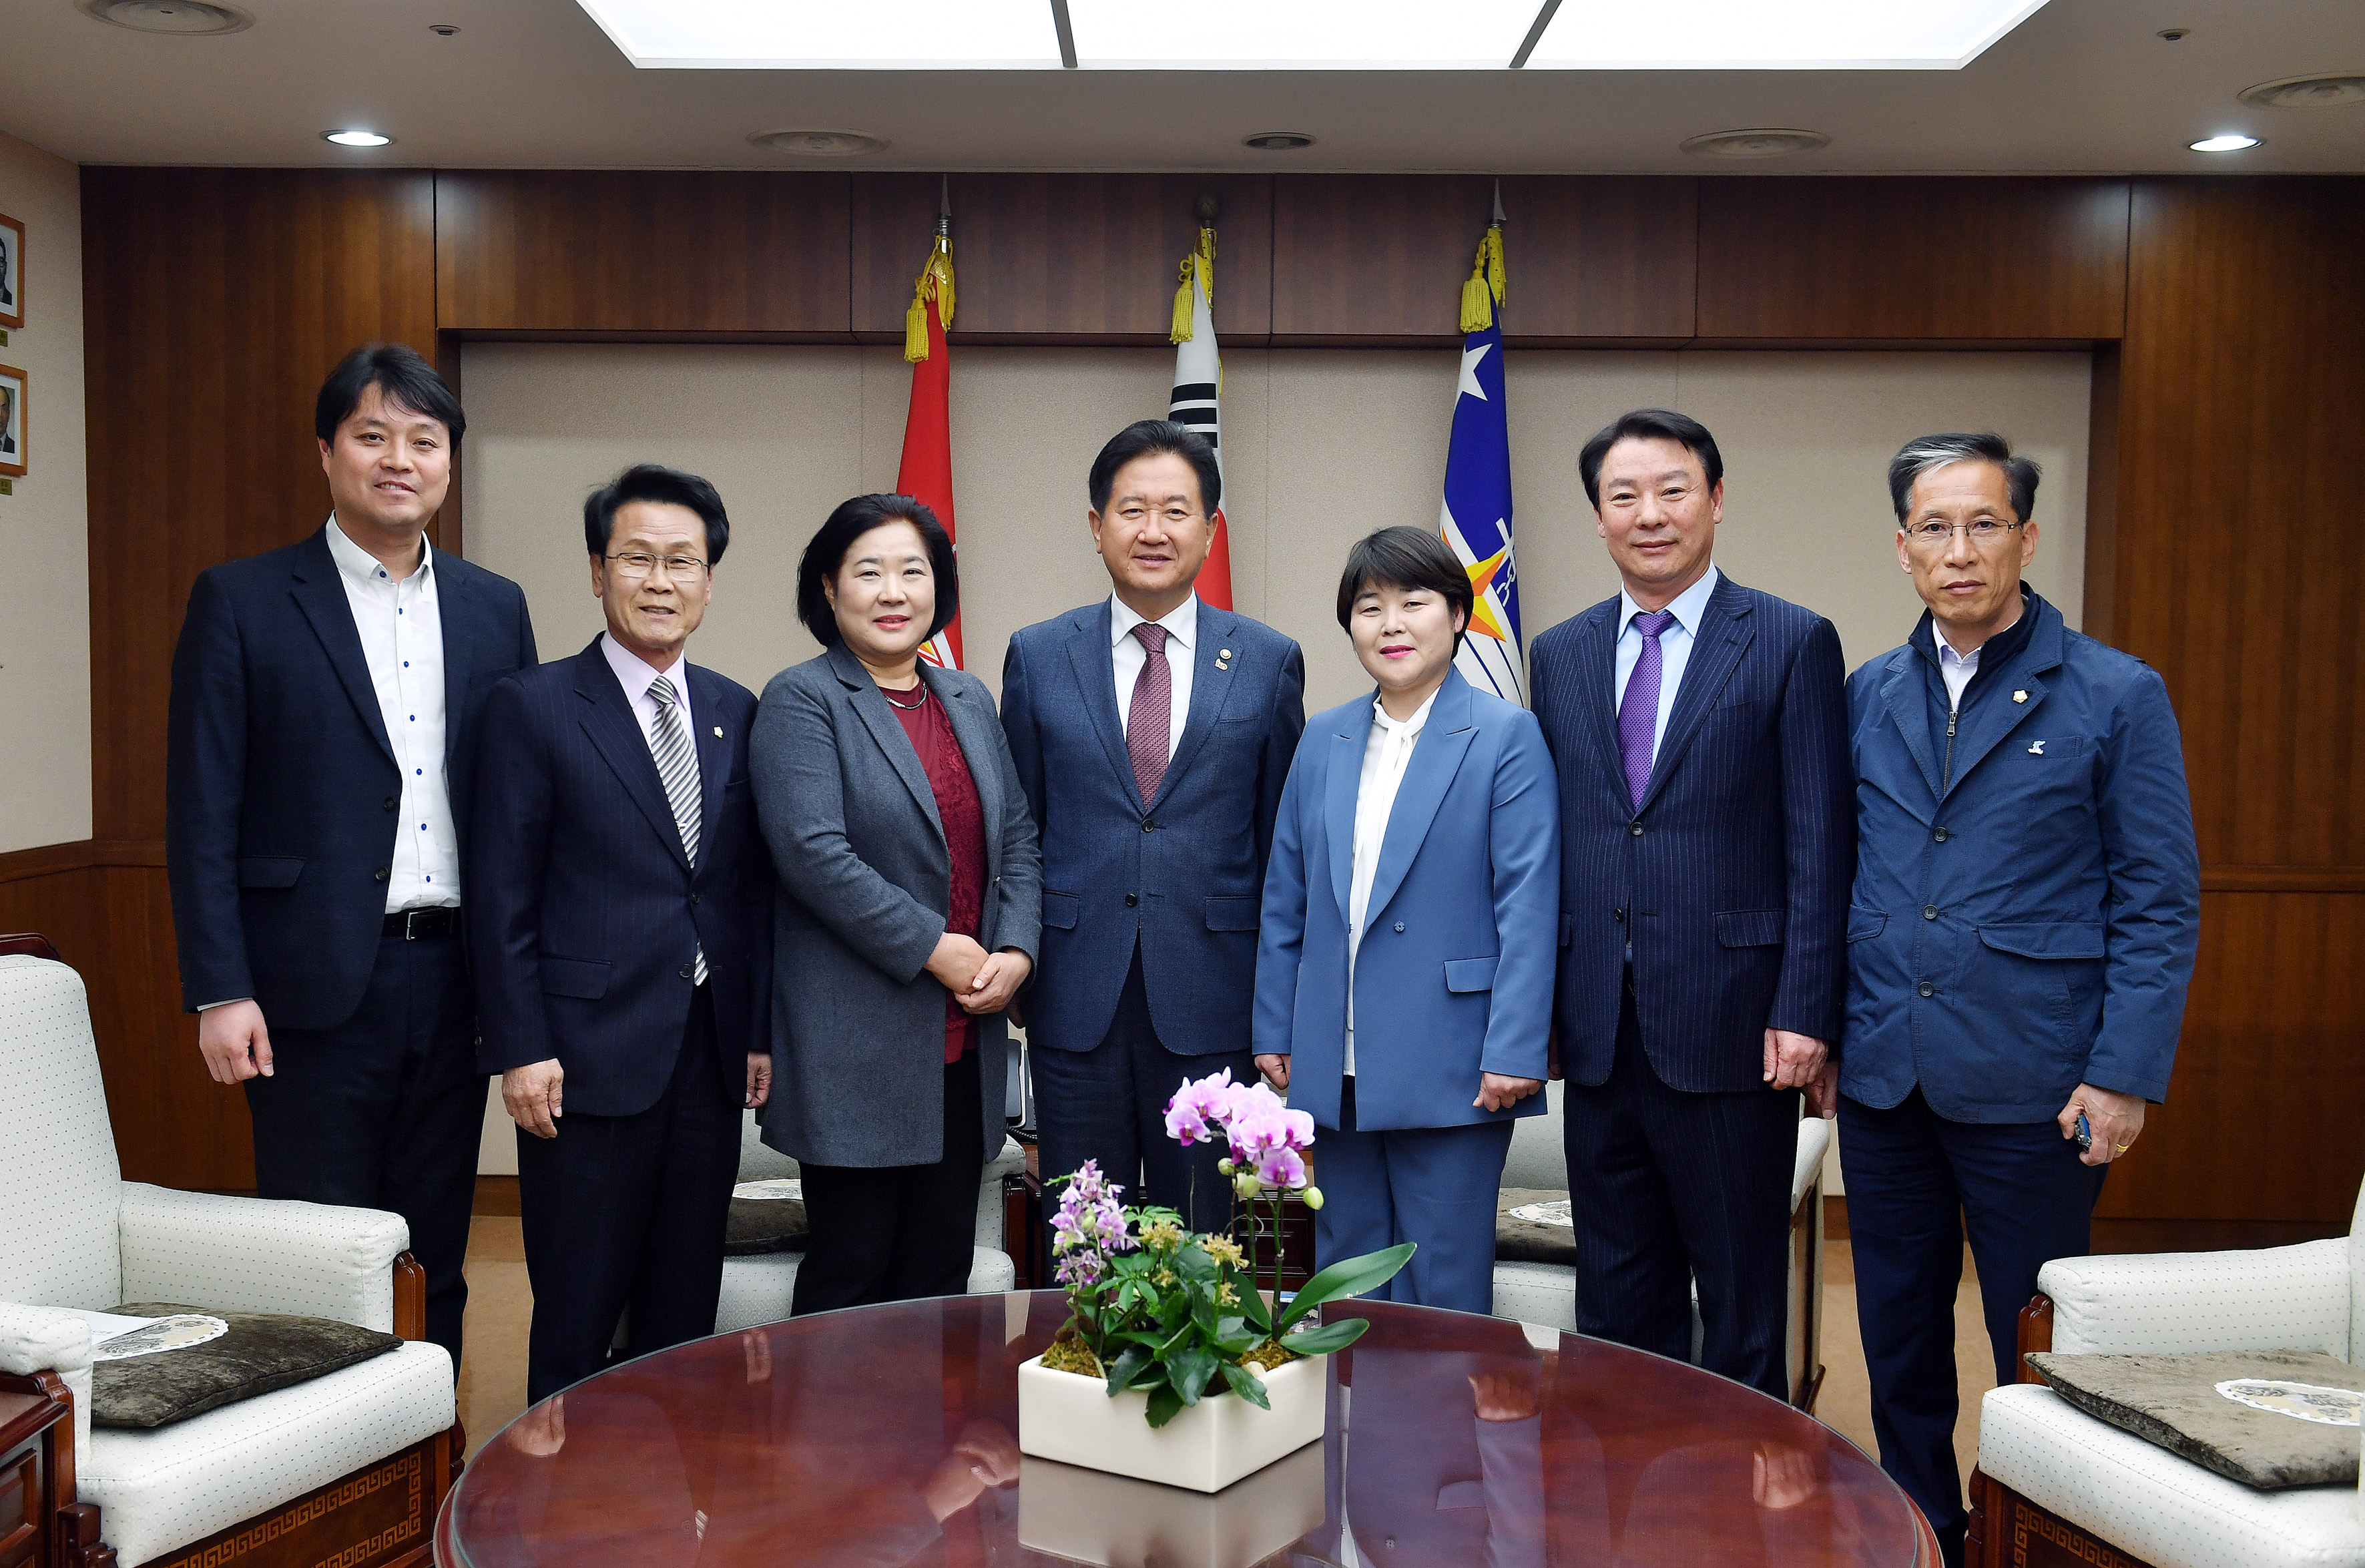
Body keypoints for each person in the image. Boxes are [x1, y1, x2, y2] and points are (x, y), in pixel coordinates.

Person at [1842, 432, 2199, 1567]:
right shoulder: (1864, 692)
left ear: (2024, 537)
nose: (1959, 550)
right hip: (1886, 1066)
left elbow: (2157, 897)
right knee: (1894, 1328)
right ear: (1902, 548)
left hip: (2037, 1078)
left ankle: (2028, 1532)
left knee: (2028, 1334)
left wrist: (2123, 1069)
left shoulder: (2112, 691)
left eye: (1983, 523)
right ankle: (1921, 1523)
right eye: (1934, 528)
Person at [164, 343, 538, 1377]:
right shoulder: (241, 600)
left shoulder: (492, 606)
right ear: (327, 451)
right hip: (305, 987)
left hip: (453, 972)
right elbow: (202, 811)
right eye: (372, 436)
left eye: (424, 440)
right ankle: (336, 1490)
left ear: (449, 462)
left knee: (438, 1252)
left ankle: (430, 1465)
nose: (398, 459)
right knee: (324, 1254)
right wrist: (220, 988)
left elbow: (519, 806)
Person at [1528, 407, 1851, 1401]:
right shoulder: (1561, 651)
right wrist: (1539, 1007)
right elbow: (1558, 843)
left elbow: (1817, 837)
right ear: (1596, 517)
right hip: (1598, 1027)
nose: (1648, 514)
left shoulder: (1789, 640)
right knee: (1617, 1296)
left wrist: (1804, 1006)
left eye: (1671, 490)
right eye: (1622, 496)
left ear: (1714, 499)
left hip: (1732, 1027)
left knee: (1740, 1297)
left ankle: (1730, 1516)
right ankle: (1618, 1495)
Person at [469, 464, 774, 1403]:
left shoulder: (734, 709)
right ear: (596, 572)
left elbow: (742, 890)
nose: (659, 580)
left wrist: (754, 1027)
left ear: (710, 581)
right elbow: (500, 893)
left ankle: (667, 1511)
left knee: (683, 1308)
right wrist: (521, 1048)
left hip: (705, 1054)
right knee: (576, 1308)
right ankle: (554, 1520)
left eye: (681, 561)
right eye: (636, 558)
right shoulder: (533, 705)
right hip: (582, 1059)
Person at [1001, 420, 1306, 1234]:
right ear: (1097, 526)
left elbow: (1283, 844)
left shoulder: (1270, 659)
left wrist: (1280, 1003)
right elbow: (1016, 829)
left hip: (1215, 996)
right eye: (1131, 508)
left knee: (1205, 1241)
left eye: (1176, 509)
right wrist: (1021, 966)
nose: (1153, 529)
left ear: (1211, 530)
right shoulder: (1036, 655)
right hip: (1072, 994)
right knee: (1085, 1240)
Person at [1252, 527, 1558, 1312]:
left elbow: (1527, 903)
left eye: (1415, 602)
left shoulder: (1505, 737)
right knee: (1347, 1278)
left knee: (1442, 1285)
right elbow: (1287, 892)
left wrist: (1516, 1046)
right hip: (1335, 1055)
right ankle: (1353, 1438)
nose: (1391, 623)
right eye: (1368, 607)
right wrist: (1275, 1028)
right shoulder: (1324, 737)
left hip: (1457, 1060)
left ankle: (1441, 1442)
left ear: (1458, 615)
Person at [752, 494, 1042, 1312]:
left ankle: (929, 1441)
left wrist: (1015, 949)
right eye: (868, 572)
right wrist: (937, 947)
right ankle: (833, 1446)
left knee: (937, 1271)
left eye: (912, 571)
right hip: (856, 1042)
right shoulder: (802, 698)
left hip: (963, 1039)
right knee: (853, 1269)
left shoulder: (968, 699)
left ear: (938, 588)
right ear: (830, 588)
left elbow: (1016, 836)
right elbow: (814, 856)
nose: (892, 592)